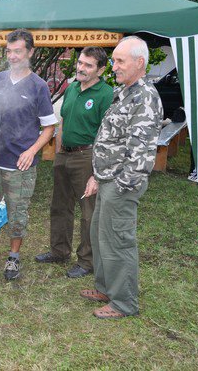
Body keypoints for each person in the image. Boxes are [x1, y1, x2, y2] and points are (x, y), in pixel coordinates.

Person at [80, 36, 163, 319]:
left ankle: (124, 303)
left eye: (119, 61)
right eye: (114, 60)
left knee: (117, 241)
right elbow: (111, 139)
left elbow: (140, 152)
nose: (113, 66)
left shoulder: (145, 97)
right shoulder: (124, 91)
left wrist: (121, 185)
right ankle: (106, 288)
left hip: (121, 183)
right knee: (100, 236)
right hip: (107, 178)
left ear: (139, 63)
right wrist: (97, 175)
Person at [0, 29, 57, 280]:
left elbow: (49, 127)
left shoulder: (38, 86)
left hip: (20, 165)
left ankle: (13, 257)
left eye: (18, 51)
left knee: (17, 213)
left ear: (30, 52)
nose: (12, 56)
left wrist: (32, 151)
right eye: (9, 51)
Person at [35, 47, 114, 279]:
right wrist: (59, 153)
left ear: (101, 70)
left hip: (87, 156)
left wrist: (97, 171)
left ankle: (87, 261)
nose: (81, 68)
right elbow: (63, 121)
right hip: (64, 155)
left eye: (88, 65)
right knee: (59, 206)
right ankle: (59, 251)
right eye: (80, 62)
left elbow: (107, 135)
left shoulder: (106, 94)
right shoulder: (72, 88)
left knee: (88, 211)